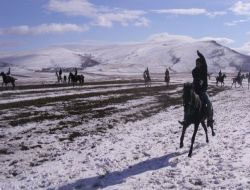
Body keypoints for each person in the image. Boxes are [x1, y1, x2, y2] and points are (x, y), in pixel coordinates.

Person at [179, 50, 214, 126]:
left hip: (203, 91)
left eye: (199, 63)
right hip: (196, 91)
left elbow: (204, 62)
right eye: (196, 63)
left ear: (201, 64)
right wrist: (195, 84)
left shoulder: (204, 70)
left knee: (208, 103)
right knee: (187, 102)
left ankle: (209, 119)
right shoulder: (194, 71)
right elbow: (195, 80)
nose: (197, 64)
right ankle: (185, 120)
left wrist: (200, 55)